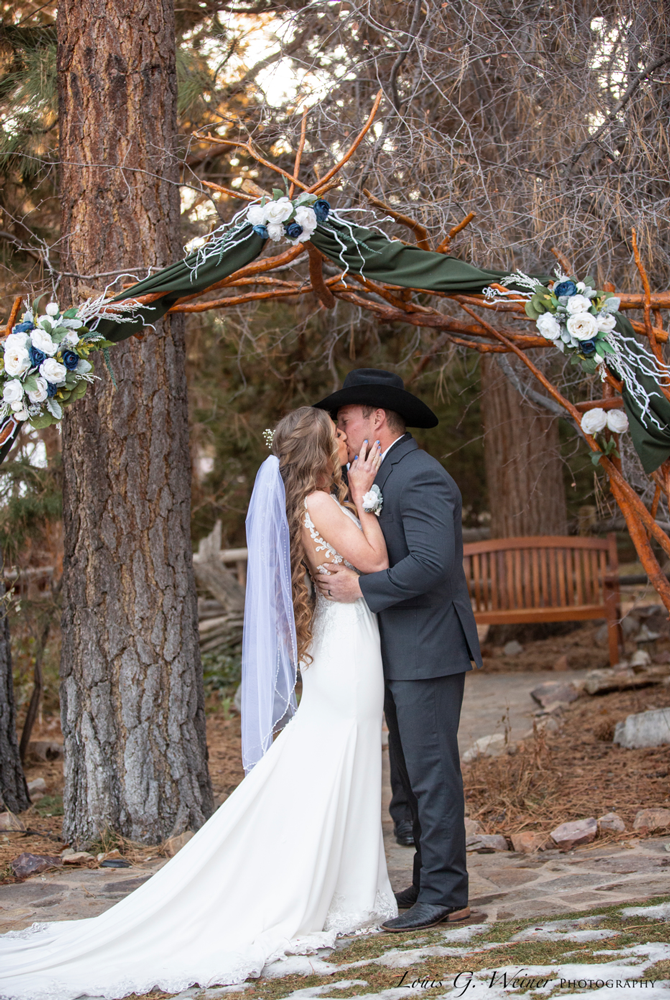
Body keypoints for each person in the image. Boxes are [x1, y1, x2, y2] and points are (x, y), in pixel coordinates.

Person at [0, 407, 397, 1000]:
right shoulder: (320, 504)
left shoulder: (311, 502)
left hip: (346, 646)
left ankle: (348, 885)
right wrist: (363, 499)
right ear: (319, 449)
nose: (348, 441)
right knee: (337, 760)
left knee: (340, 761)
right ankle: (328, 890)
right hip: (346, 652)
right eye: (338, 436)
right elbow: (377, 562)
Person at [314, 368, 482, 933]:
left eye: (346, 420)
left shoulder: (421, 475)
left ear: (376, 420)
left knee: (432, 772)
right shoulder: (383, 474)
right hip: (400, 645)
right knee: (411, 774)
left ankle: (447, 894)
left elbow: (433, 564)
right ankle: (429, 879)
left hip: (429, 643)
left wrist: (363, 588)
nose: (340, 432)